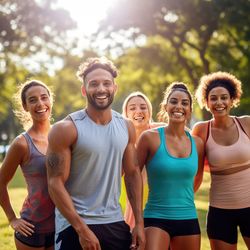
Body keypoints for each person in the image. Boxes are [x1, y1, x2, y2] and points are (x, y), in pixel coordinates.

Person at [46, 57, 145, 250]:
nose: (101, 89)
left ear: (114, 88)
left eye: (106, 83)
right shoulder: (66, 129)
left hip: (114, 221)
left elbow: (132, 174)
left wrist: (139, 223)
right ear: (84, 90)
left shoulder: (126, 127)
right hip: (74, 225)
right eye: (94, 84)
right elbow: (54, 183)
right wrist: (82, 230)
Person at [137, 82, 204, 250]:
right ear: (165, 106)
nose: (178, 106)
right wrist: (138, 219)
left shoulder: (198, 143)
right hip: (155, 217)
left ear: (190, 109)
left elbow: (198, 178)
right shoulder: (149, 138)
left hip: (188, 217)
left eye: (184, 103)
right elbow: (133, 176)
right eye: (173, 101)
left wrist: (179, 197)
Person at [192, 71, 250, 250]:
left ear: (232, 100)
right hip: (220, 211)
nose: (219, 103)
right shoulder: (201, 130)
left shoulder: (247, 123)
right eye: (213, 98)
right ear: (206, 102)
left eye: (224, 97)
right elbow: (196, 172)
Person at [0, 80, 55, 250]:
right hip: (32, 228)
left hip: (62, 224)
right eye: (32, 100)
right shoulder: (21, 143)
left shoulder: (63, 135)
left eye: (44, 97)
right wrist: (12, 219)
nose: (40, 103)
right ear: (25, 106)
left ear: (50, 100)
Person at [122, 91, 165, 230]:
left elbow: (188, 136)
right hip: (131, 202)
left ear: (149, 111)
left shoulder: (162, 131)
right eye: (132, 108)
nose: (138, 111)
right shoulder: (121, 137)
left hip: (160, 203)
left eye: (143, 107)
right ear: (126, 113)